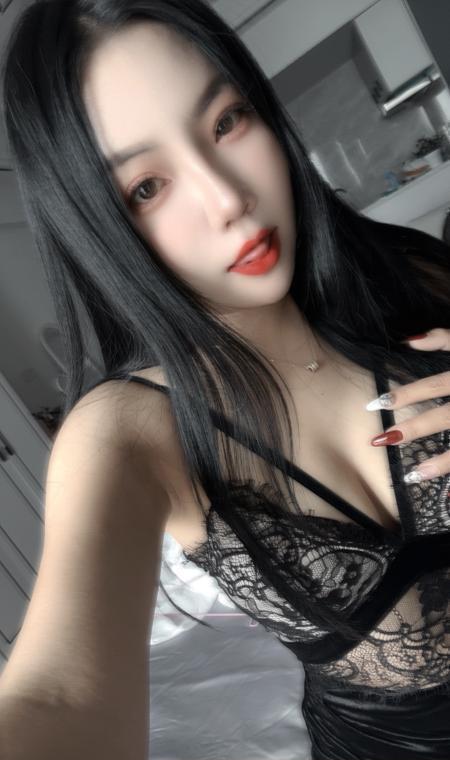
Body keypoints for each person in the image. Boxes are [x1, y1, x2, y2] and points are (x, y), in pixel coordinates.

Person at [0, 1, 450, 758]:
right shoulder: (127, 431)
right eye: (146, 187)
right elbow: (57, 694)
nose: (228, 199)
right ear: (94, 227)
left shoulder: (412, 272)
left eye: (227, 122)